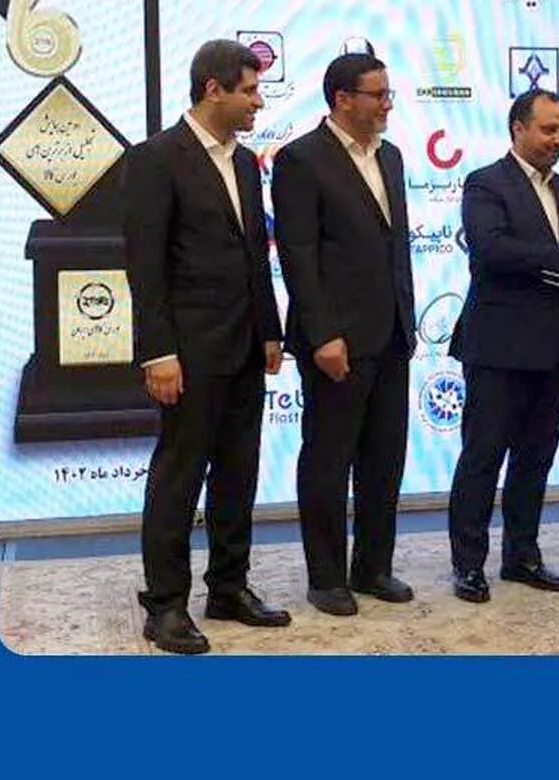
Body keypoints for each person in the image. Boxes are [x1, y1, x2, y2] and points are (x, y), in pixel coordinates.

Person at [124, 39, 289, 655]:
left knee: (238, 473)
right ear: (212, 89)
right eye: (249, 90)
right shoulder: (155, 159)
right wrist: (158, 353)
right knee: (179, 476)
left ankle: (229, 587)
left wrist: (270, 329)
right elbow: (145, 267)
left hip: (245, 346)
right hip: (188, 353)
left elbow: (254, 256)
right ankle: (165, 605)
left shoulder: (245, 163)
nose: (258, 101)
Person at [271, 52, 416, 616]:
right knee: (328, 459)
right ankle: (326, 576)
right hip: (336, 341)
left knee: (385, 458)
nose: (388, 105)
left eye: (389, 94)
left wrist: (406, 318)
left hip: (391, 333)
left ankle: (373, 567)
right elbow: (299, 255)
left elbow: (393, 248)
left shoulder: (392, 156)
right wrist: (322, 333)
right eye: (378, 94)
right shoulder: (301, 159)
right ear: (342, 99)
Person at [447, 89, 559, 604]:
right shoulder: (486, 183)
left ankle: (522, 556)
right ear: (518, 129)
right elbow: (491, 250)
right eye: (549, 129)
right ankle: (468, 564)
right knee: (482, 458)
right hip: (498, 348)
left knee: (536, 459)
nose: (558, 139)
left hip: (555, 346)